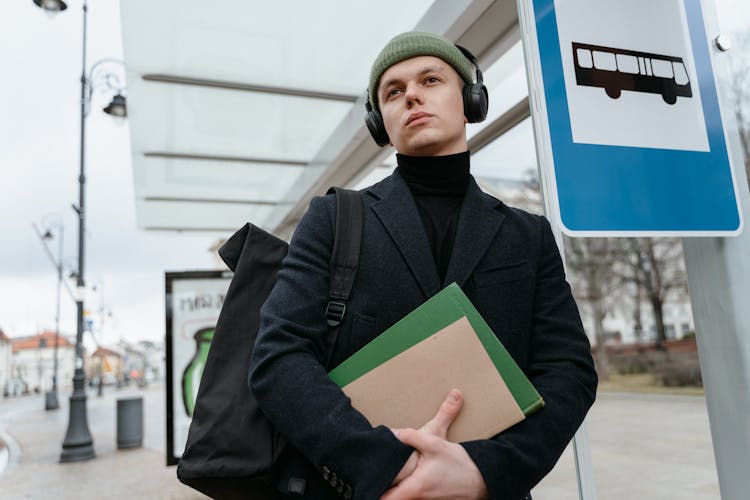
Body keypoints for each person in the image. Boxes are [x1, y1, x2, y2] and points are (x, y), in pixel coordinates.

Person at [250, 31, 597, 499]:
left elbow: (568, 370)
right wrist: (390, 463)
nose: (411, 94)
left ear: (470, 100)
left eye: (430, 79)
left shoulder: (527, 234)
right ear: (381, 123)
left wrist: (482, 472)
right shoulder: (333, 219)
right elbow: (279, 356)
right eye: (393, 91)